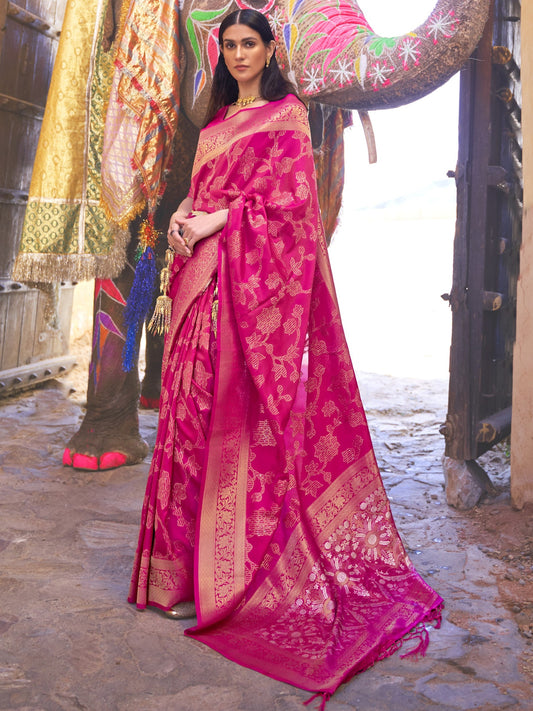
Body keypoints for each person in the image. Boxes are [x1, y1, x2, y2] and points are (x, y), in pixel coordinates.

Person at [128, 8, 443, 705]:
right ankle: (172, 580)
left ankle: (230, 580)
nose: (239, 55)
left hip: (242, 297)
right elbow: (200, 193)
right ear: (221, 51)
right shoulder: (211, 126)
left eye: (250, 45)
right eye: (230, 45)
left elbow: (294, 210)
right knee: (183, 423)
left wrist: (223, 220)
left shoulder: (285, 117)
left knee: (225, 426)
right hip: (195, 295)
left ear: (270, 50)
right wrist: (185, 216)